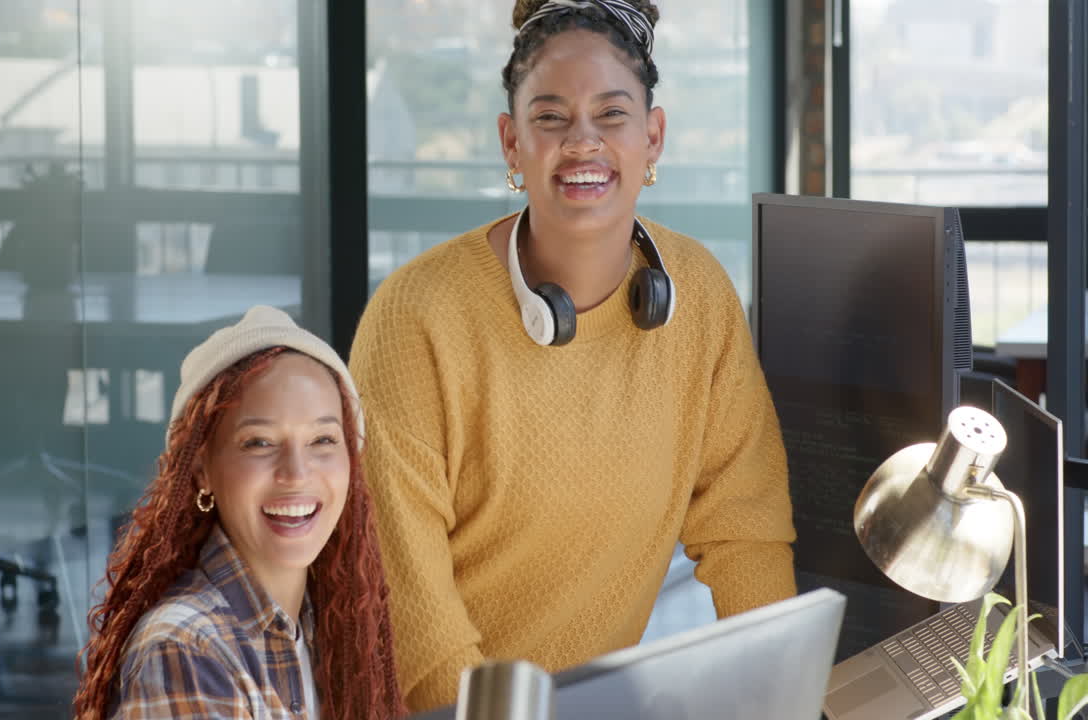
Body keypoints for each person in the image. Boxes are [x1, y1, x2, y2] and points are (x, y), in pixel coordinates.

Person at [348, 0, 797, 712]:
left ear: (653, 137)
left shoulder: (700, 294)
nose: (582, 142)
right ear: (511, 142)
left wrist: (781, 695)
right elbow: (419, 631)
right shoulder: (417, 316)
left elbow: (745, 533)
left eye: (612, 115)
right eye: (550, 118)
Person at [73, 306, 406, 720]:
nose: (296, 473)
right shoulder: (187, 648)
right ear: (201, 469)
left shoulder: (331, 629)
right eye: (259, 443)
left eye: (323, 439)